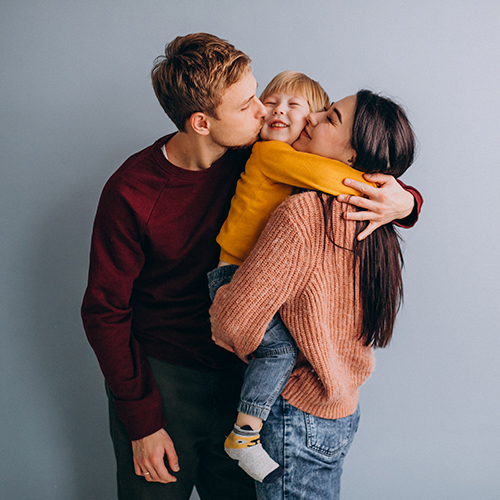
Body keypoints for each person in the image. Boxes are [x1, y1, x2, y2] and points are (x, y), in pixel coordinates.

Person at [81, 32, 420, 500]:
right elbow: (104, 313)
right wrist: (141, 422)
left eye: (257, 94)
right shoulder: (131, 193)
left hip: (247, 380)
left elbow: (352, 158)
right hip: (164, 383)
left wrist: (404, 201)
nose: (265, 112)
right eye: (246, 106)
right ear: (202, 122)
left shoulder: (262, 155)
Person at [208, 73, 422, 484]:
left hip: (297, 413)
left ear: (353, 154)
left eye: (328, 117)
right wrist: (403, 198)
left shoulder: (306, 212)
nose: (309, 118)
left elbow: (232, 322)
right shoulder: (371, 217)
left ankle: (243, 432)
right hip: (340, 406)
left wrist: (401, 198)